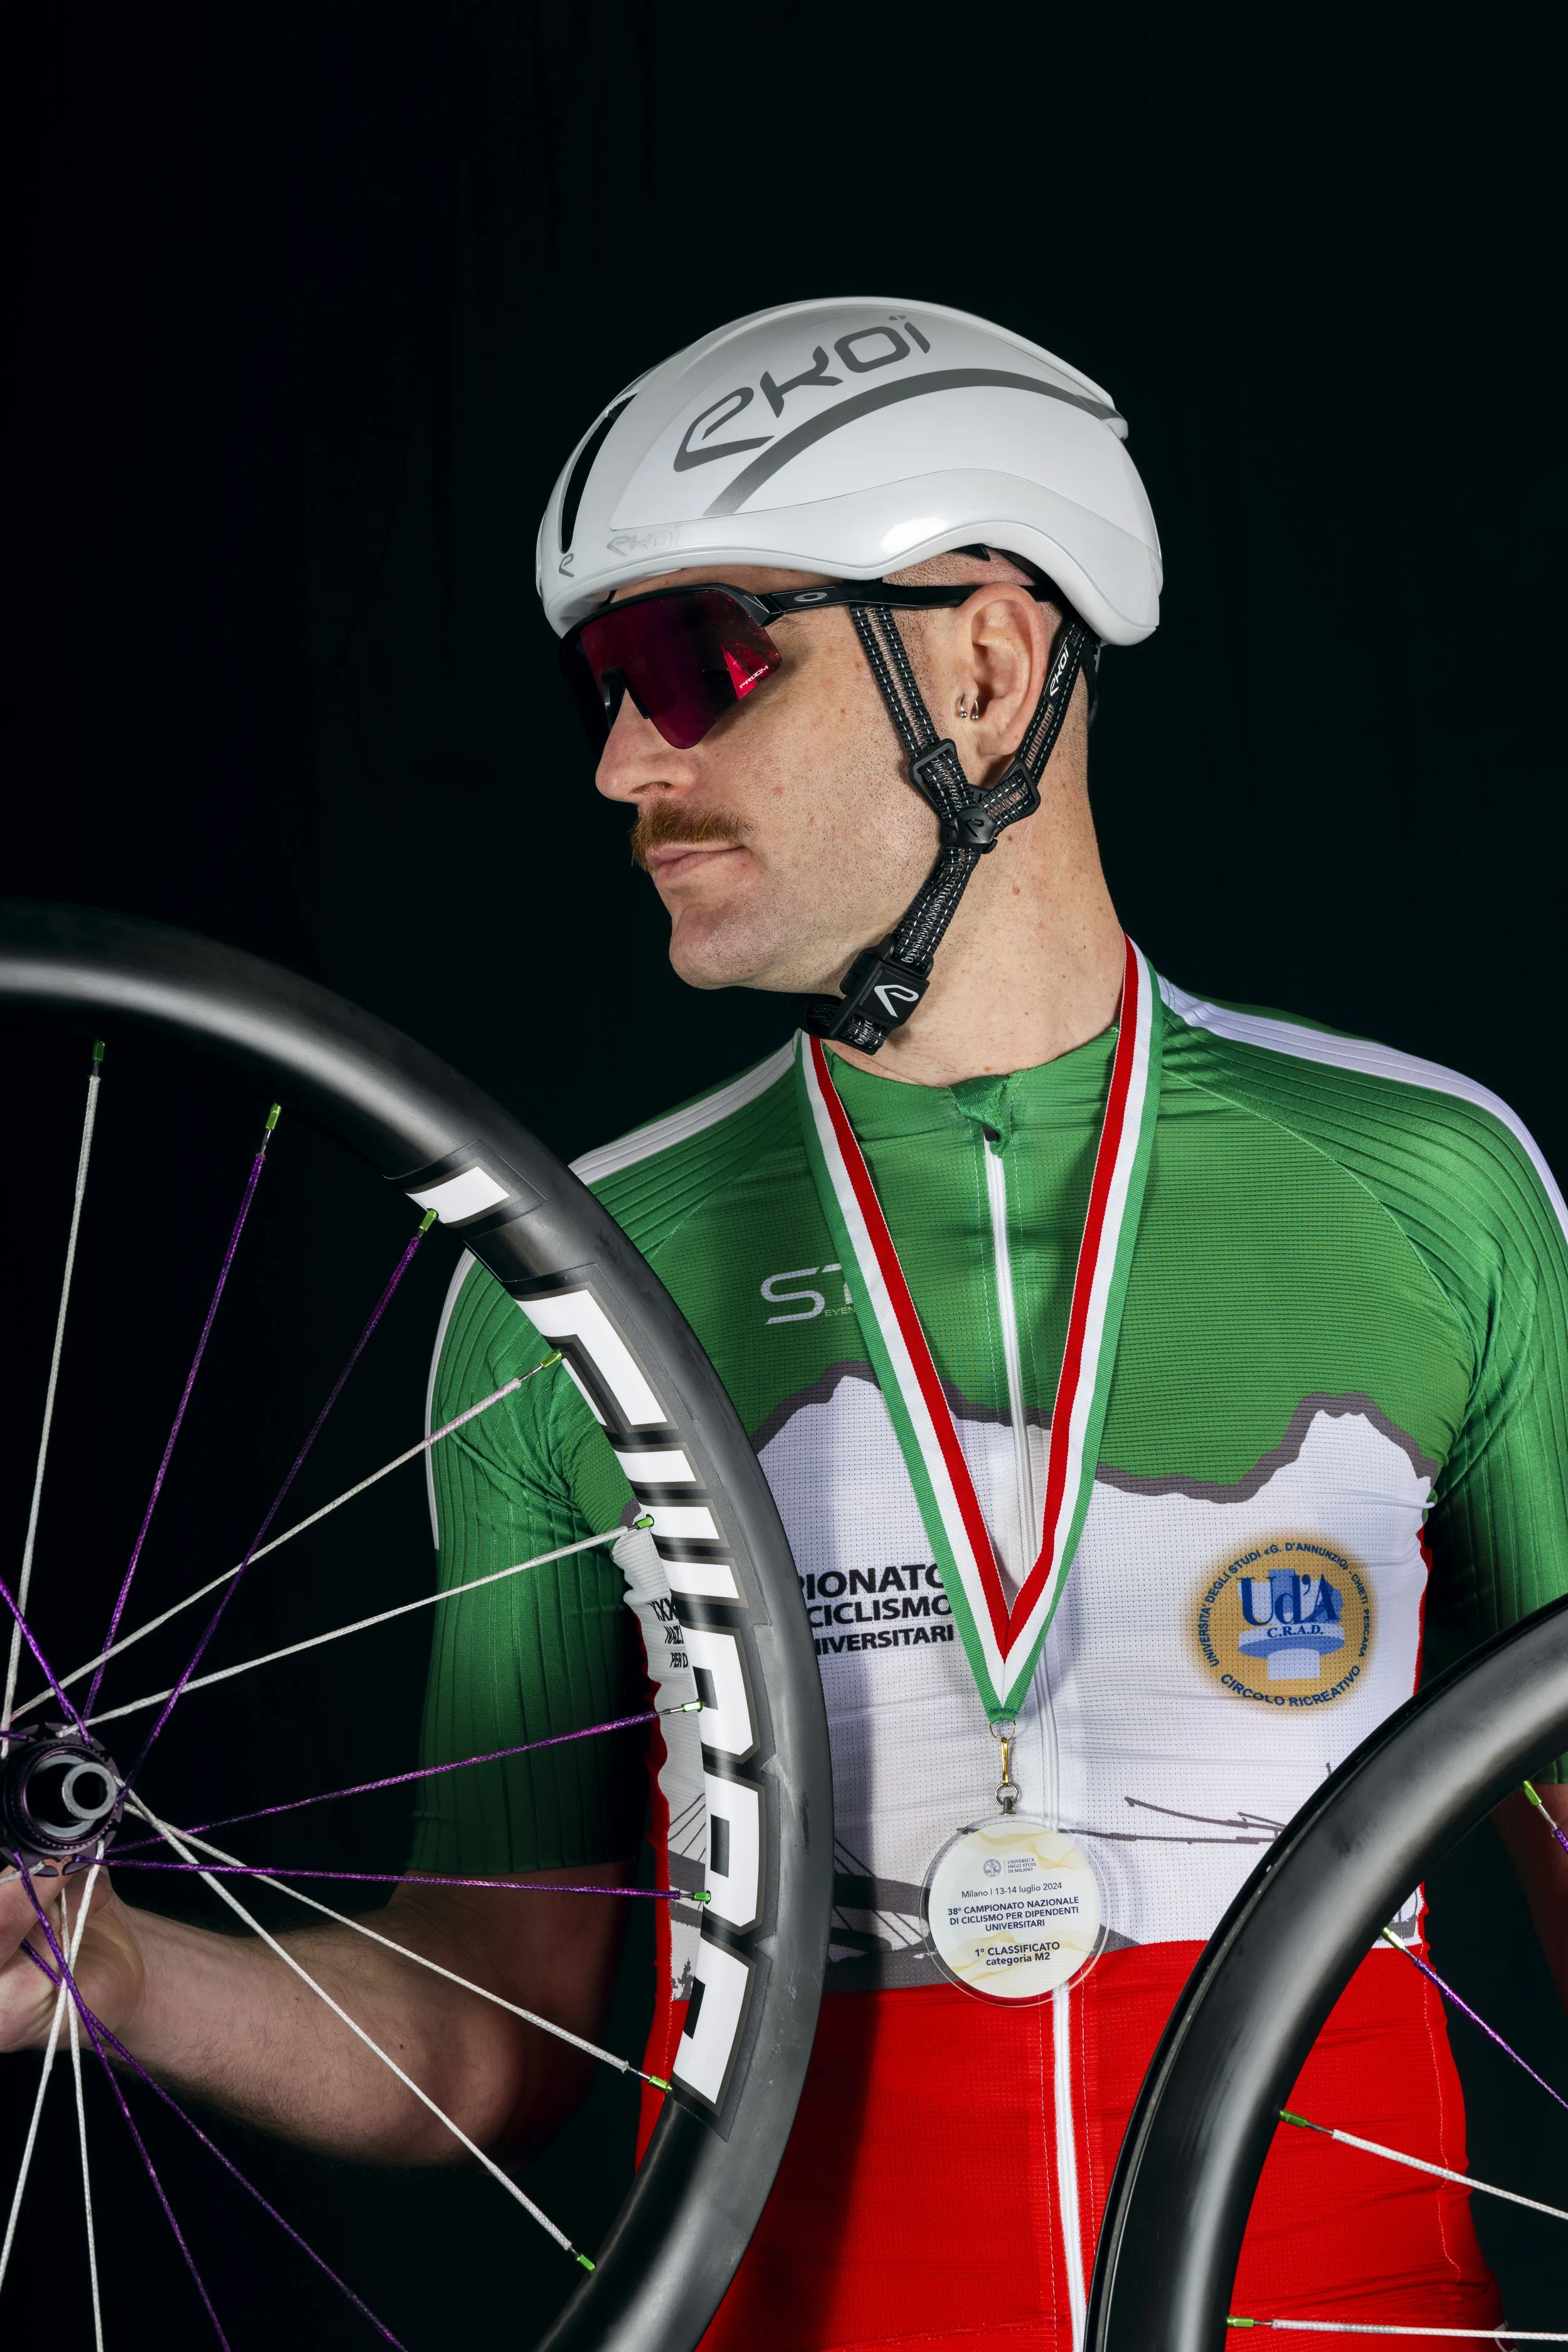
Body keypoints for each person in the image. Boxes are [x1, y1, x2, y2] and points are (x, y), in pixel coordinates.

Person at [6, 298, 1568, 2350]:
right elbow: (486, 2031)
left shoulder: (1428, 1185)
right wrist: (102, 1963)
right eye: (600, 687)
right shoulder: (563, 1266)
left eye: (695, 661)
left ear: (984, 667)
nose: (620, 760)